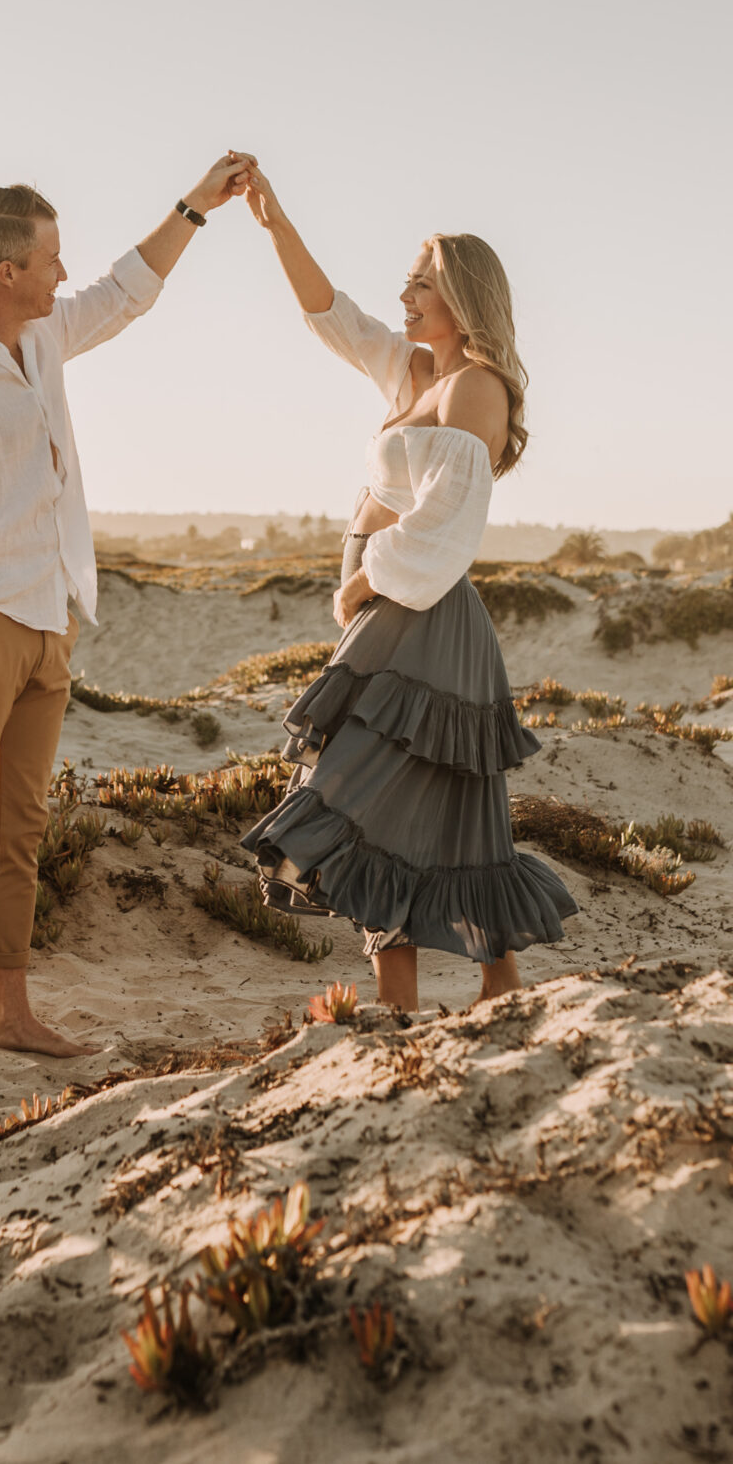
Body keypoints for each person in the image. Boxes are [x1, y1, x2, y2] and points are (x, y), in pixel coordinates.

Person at [0, 154, 255, 1069]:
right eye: (51, 261)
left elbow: (125, 292)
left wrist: (194, 207)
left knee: (19, 826)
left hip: (49, 614)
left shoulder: (39, 339)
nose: (63, 274)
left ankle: (8, 1007)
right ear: (9, 273)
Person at [233, 166, 575, 1011]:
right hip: (400, 617)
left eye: (420, 282)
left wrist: (362, 583)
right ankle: (408, 1011)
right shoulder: (417, 371)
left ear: (460, 296)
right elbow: (333, 316)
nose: (405, 293)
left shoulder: (475, 388)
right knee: (389, 812)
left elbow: (448, 524)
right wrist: (277, 225)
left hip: (422, 616)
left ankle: (494, 997)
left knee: (415, 811)